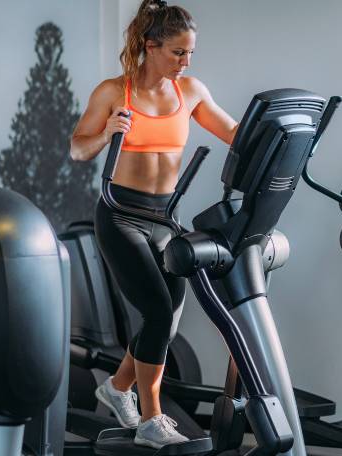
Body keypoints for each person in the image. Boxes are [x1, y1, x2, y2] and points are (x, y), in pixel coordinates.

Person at [69, 0, 238, 449]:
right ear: (151, 46)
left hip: (164, 217)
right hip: (121, 214)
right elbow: (77, 149)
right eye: (178, 53)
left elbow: (235, 133)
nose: (185, 62)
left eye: (190, 54)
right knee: (159, 311)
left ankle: (118, 387)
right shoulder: (113, 92)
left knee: (169, 314)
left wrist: (286, 138)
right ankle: (151, 418)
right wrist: (106, 132)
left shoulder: (191, 92)